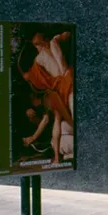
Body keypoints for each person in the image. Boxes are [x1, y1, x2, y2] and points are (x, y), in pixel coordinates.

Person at [19, 28, 74, 162]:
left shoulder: (41, 58)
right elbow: (46, 121)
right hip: (64, 82)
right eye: (37, 45)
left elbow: (47, 120)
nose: (40, 46)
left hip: (65, 80)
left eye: (39, 43)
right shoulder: (50, 101)